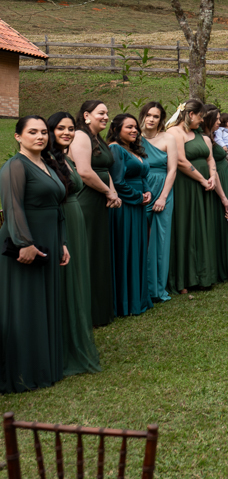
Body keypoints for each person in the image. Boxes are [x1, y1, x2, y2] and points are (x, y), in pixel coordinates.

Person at [0, 116, 70, 394]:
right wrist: (24, 243)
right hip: (25, 242)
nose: (40, 137)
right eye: (32, 132)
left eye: (43, 132)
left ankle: (44, 365)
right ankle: (23, 370)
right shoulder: (15, 166)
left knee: (44, 301)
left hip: (50, 239)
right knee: (25, 304)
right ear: (18, 137)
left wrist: (62, 242)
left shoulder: (47, 164)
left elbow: (58, 206)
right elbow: (12, 206)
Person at [45, 112, 101, 376]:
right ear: (50, 131)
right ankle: (63, 341)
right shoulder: (46, 160)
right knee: (66, 280)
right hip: (63, 220)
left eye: (70, 128)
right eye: (60, 128)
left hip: (77, 221)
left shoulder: (64, 158)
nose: (67, 132)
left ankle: (75, 334)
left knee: (77, 279)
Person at [68, 100, 120, 327]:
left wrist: (114, 192)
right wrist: (109, 193)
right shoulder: (80, 136)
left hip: (101, 199)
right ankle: (84, 313)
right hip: (87, 200)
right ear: (86, 115)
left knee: (98, 252)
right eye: (101, 113)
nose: (106, 117)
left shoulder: (99, 138)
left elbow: (104, 169)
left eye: (107, 113)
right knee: (86, 252)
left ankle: (99, 310)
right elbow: (85, 172)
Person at [165, 99, 218, 293]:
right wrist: (203, 180)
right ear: (190, 115)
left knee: (200, 228)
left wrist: (212, 175)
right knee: (186, 227)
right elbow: (180, 160)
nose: (203, 120)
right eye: (200, 116)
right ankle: (184, 278)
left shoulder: (199, 135)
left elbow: (210, 158)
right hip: (185, 186)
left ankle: (203, 275)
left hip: (204, 185)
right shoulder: (174, 133)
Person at [107, 114, 153, 317]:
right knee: (126, 250)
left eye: (136, 127)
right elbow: (117, 181)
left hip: (139, 205)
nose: (134, 130)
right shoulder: (115, 149)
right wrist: (137, 196)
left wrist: (148, 191)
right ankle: (125, 301)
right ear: (116, 129)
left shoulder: (133, 150)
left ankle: (138, 297)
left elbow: (142, 175)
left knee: (138, 248)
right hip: (124, 207)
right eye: (129, 127)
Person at [139, 101, 176, 302]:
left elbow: (172, 170)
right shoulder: (135, 138)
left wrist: (163, 197)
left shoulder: (168, 138)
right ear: (143, 116)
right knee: (141, 237)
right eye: (148, 115)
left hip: (163, 189)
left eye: (156, 116)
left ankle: (156, 288)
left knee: (160, 239)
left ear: (161, 119)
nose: (151, 119)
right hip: (141, 189)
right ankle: (141, 284)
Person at [203, 105, 228, 284]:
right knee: (215, 221)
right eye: (216, 119)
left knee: (225, 222)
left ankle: (226, 267)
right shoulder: (204, 138)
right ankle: (216, 268)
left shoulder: (217, 135)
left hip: (225, 178)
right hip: (216, 182)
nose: (219, 122)